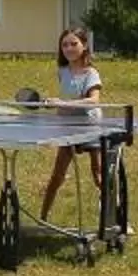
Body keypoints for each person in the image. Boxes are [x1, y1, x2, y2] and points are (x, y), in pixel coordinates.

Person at [35, 24, 105, 218]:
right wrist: (53, 104)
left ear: (84, 45)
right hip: (68, 129)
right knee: (56, 177)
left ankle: (119, 217)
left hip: (91, 127)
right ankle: (43, 218)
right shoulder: (62, 71)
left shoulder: (91, 73)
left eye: (74, 44)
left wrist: (63, 103)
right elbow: (66, 98)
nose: (69, 48)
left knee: (99, 176)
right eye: (65, 45)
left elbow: (94, 101)